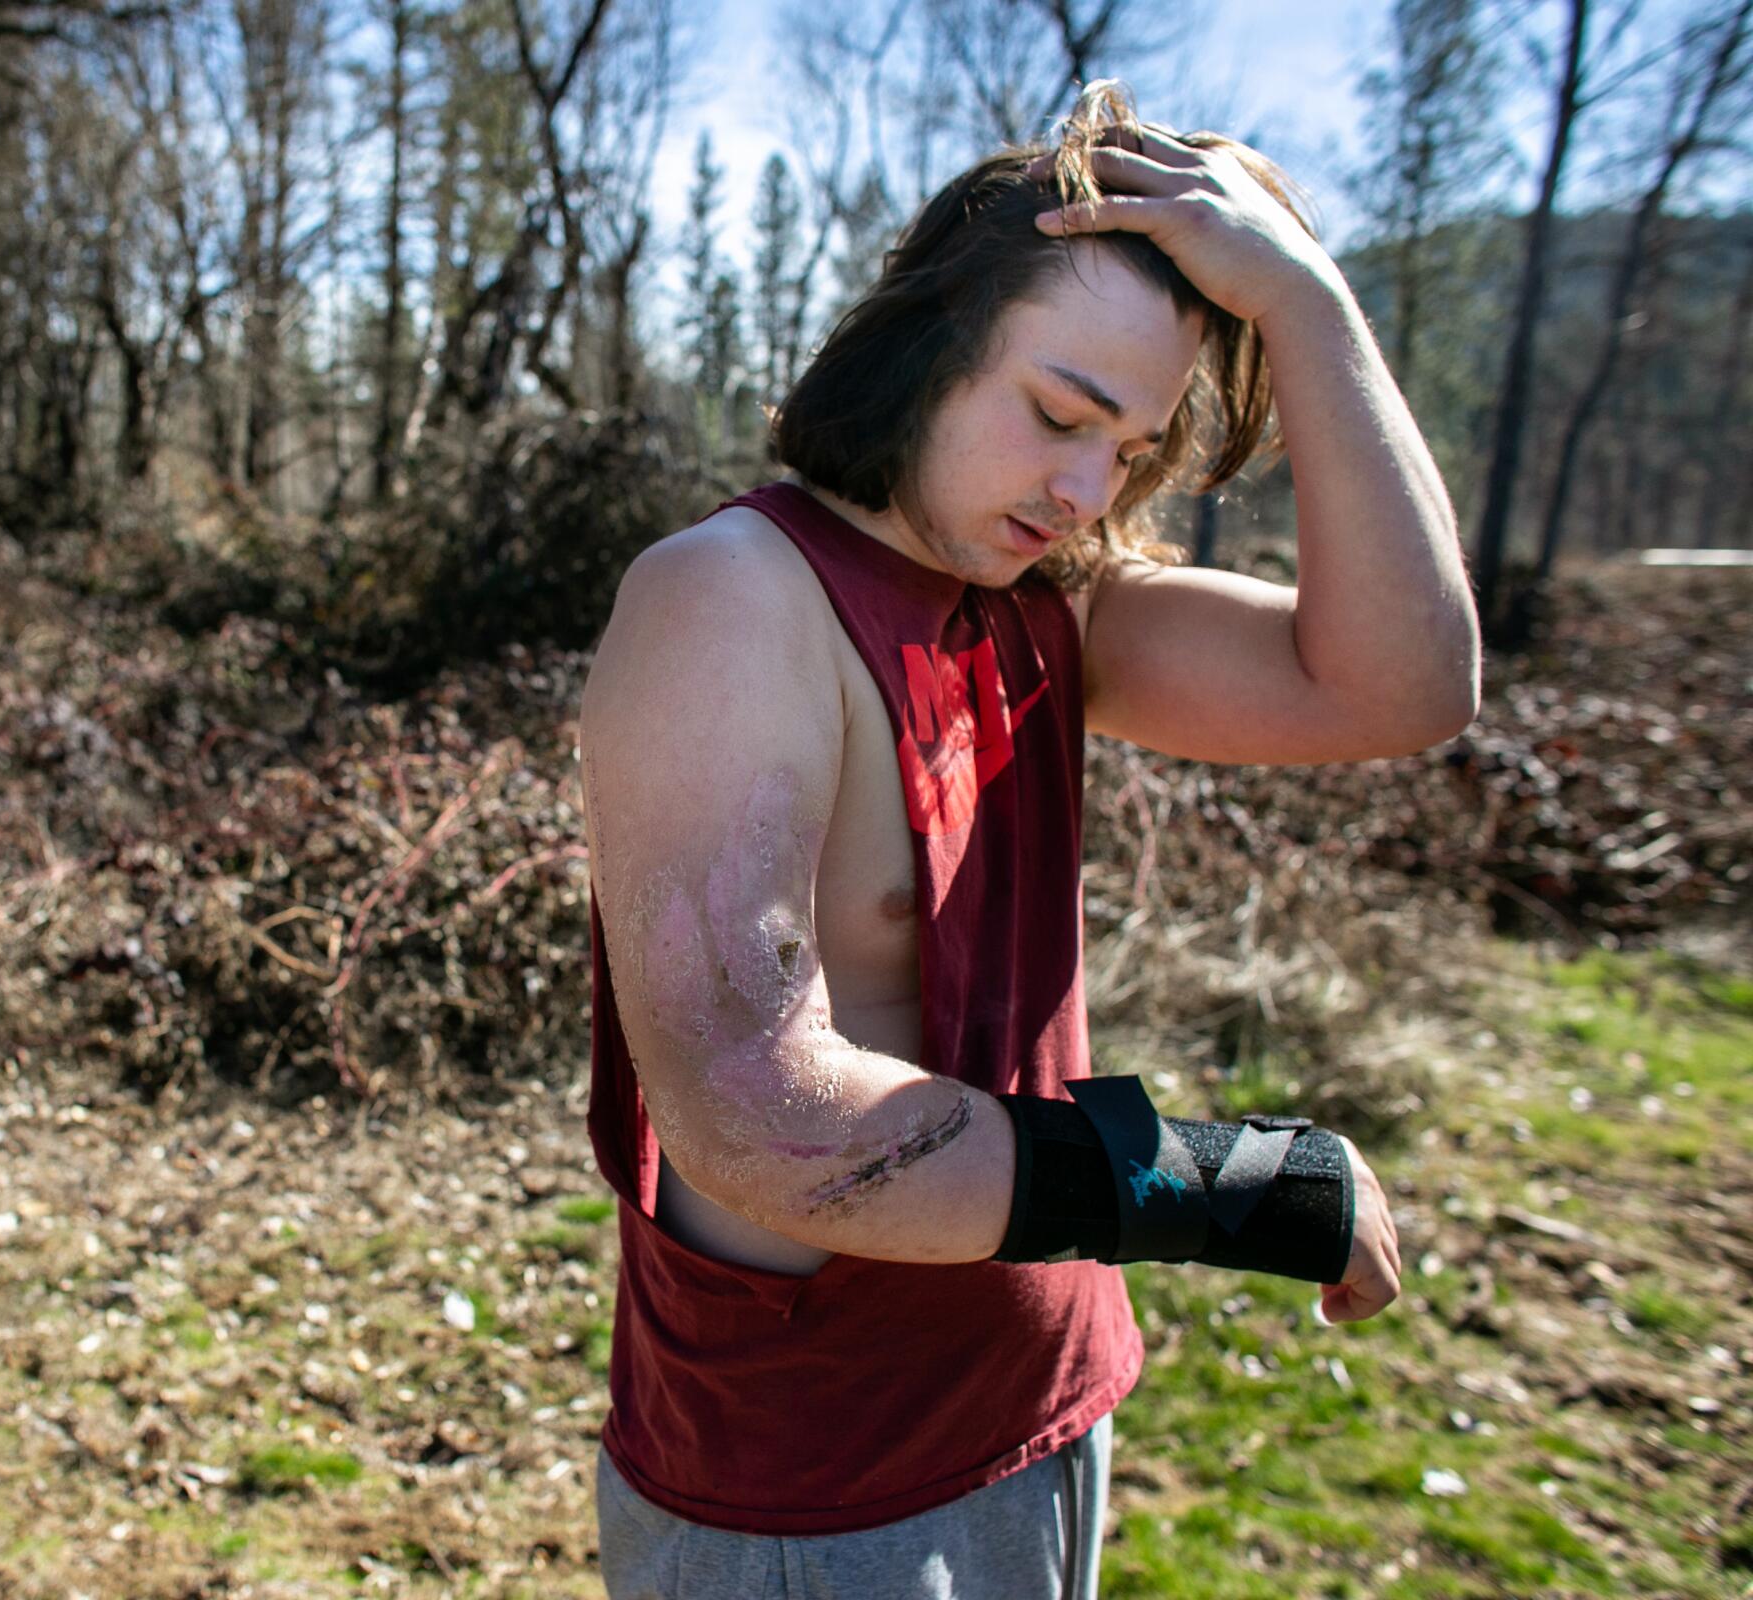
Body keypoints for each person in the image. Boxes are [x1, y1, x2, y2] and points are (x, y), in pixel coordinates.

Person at [574, 82, 1479, 1599]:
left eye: (1126, 452)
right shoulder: (730, 599)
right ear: (925, 347)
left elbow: (1408, 687)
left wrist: (1311, 309)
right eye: (1059, 413)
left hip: (1050, 1395)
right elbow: (755, 1111)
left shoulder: (1056, 611)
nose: (1081, 489)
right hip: (816, 1486)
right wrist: (1210, 1180)